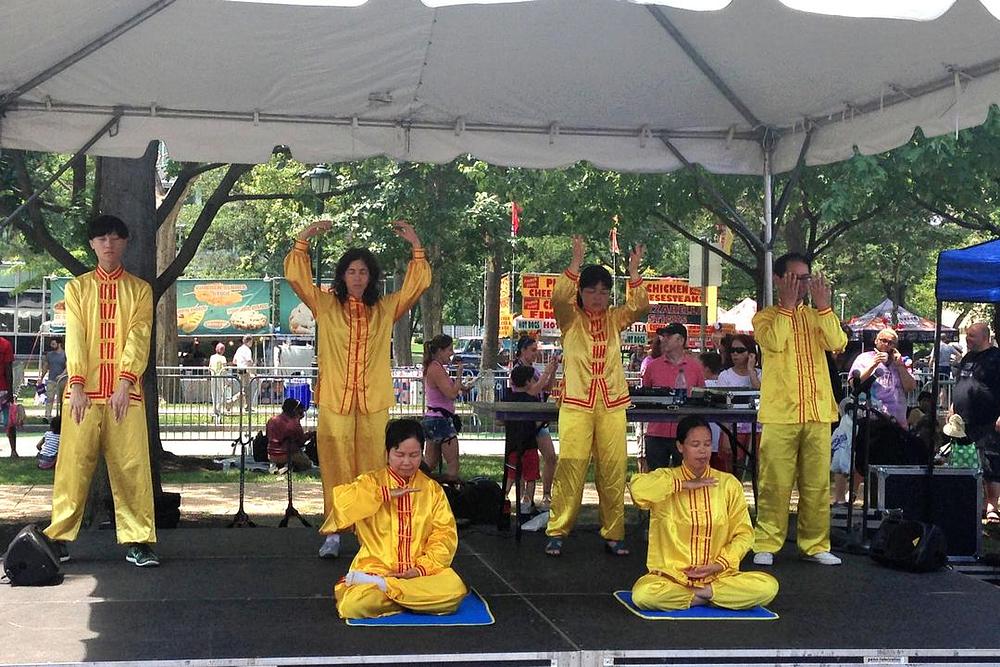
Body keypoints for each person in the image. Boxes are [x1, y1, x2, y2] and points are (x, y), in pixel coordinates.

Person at [285, 218, 430, 559]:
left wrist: (416, 245)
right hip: (335, 399)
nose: (357, 277)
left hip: (373, 401)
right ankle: (335, 531)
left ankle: (371, 534)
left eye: (363, 271)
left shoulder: (385, 309)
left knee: (374, 468)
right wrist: (304, 238)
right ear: (342, 275)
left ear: (371, 276)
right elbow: (295, 277)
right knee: (335, 467)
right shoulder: (325, 305)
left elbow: (416, 286)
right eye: (351, 271)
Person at [43, 214, 159, 567]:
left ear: (124, 243)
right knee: (73, 466)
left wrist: (125, 381)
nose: (108, 243)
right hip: (82, 395)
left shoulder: (140, 290)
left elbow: (139, 337)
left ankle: (138, 540)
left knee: (131, 467)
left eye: (114, 237)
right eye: (101, 238)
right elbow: (75, 337)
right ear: (92, 244)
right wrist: (75, 383)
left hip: (126, 396)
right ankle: (59, 537)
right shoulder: (77, 288)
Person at [544, 235, 649, 557]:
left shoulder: (615, 318)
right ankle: (557, 530)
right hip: (576, 403)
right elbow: (559, 298)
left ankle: (614, 532)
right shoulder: (570, 319)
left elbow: (640, 306)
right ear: (581, 292)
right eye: (591, 291)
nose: (598, 297)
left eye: (604, 291)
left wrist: (633, 271)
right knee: (571, 466)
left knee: (614, 468)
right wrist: (575, 262)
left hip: (613, 403)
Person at [751, 252, 846, 567]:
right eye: (795, 278)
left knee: (817, 484)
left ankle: (816, 544)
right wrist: (787, 307)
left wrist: (824, 306)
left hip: (818, 411)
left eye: (806, 279)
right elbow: (775, 342)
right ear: (778, 279)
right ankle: (766, 541)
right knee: (774, 482)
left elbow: (836, 341)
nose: (802, 284)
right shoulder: (764, 317)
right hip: (781, 413)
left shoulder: (818, 315)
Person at [629, 416, 778, 611]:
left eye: (707, 444)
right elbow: (637, 489)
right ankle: (714, 598)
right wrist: (681, 485)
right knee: (643, 595)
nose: (702, 450)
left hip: (719, 577)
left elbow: (744, 535)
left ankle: (702, 594)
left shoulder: (728, 484)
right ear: (680, 447)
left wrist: (719, 564)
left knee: (768, 587)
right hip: (673, 578)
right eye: (695, 444)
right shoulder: (666, 479)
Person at [325, 419, 468, 619]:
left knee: (454, 590)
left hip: (420, 574)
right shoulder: (370, 483)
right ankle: (413, 599)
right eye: (399, 455)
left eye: (414, 455)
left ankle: (390, 591)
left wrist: (420, 569)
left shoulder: (432, 490)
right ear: (387, 453)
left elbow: (444, 536)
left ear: (423, 454)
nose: (407, 462)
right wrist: (384, 494)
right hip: (377, 570)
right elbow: (342, 506)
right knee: (353, 605)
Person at [950, 322, 1000, 524]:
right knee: (968, 462)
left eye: (971, 336)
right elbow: (961, 384)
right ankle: (975, 502)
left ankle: (992, 505)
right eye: (967, 335)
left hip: (988, 419)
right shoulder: (968, 358)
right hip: (963, 421)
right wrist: (953, 406)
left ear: (984, 337)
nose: (967, 339)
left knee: (990, 461)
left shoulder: (996, 358)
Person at [640, 323, 706, 470]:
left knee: (685, 476)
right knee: (656, 480)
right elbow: (644, 395)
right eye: (663, 336)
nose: (663, 339)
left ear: (680, 340)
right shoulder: (652, 367)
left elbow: (701, 397)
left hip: (685, 433)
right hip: (656, 432)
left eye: (668, 336)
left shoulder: (695, 367)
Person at [510, 334, 560, 509]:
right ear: (522, 350)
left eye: (536, 350)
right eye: (532, 350)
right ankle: (525, 498)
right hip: (525, 423)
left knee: (550, 457)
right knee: (524, 459)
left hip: (538, 421)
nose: (535, 354)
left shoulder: (534, 370)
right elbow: (531, 391)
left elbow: (545, 389)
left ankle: (546, 493)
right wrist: (546, 372)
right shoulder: (518, 371)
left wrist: (552, 371)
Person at [421, 334, 475, 480]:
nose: (452, 354)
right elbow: (451, 394)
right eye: (449, 350)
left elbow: (448, 388)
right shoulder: (435, 368)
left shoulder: (436, 367)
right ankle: (451, 493)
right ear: (439, 351)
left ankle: (423, 487)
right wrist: (458, 376)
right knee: (453, 464)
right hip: (441, 420)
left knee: (429, 463)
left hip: (434, 419)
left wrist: (463, 387)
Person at [849, 327, 916, 425]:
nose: (886, 344)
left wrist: (900, 365)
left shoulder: (901, 361)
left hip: (897, 420)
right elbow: (854, 384)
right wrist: (873, 364)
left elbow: (911, 387)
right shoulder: (864, 358)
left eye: (890, 343)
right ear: (876, 341)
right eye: (883, 340)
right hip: (872, 418)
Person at [717, 334, 762, 472]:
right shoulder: (725, 376)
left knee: (759, 468)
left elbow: (760, 392)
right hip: (732, 427)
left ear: (751, 352)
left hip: (758, 428)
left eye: (740, 350)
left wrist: (751, 370)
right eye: (732, 350)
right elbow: (723, 407)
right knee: (732, 468)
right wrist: (725, 434)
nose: (735, 354)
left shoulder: (760, 374)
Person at [504, 364, 544, 514]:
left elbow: (500, 421)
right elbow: (538, 422)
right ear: (528, 382)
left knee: (510, 475)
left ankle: (504, 498)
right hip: (530, 444)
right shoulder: (532, 400)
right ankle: (528, 503)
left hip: (513, 444)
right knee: (531, 477)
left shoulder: (508, 398)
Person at [265, 398, 314, 472]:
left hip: (271, 455)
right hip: (287, 454)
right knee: (308, 464)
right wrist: (310, 434)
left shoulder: (272, 420)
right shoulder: (294, 423)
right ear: (295, 411)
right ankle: (289, 467)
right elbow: (301, 441)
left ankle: (281, 466)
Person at [40, 338, 67, 422]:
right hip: (51, 379)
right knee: (49, 398)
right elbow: (45, 366)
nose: (52, 346)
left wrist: (62, 375)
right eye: (51, 344)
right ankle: (47, 416)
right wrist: (41, 378)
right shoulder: (49, 355)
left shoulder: (65, 354)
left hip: (62, 380)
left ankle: (61, 416)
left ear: (59, 344)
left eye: (54, 344)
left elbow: (67, 366)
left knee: (61, 400)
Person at [230, 335, 256, 412]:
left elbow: (234, 361)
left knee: (246, 389)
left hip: (239, 370)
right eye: (251, 341)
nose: (252, 343)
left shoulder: (239, 349)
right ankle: (231, 401)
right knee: (245, 390)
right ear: (249, 341)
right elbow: (249, 361)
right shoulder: (247, 350)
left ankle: (247, 406)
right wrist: (253, 370)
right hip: (245, 370)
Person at [0, 335, 16, 457]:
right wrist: (10, 393)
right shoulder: (5, 344)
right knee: (9, 421)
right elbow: (8, 371)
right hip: (3, 389)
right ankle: (13, 450)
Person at [208, 342, 229, 423]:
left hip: (213, 377)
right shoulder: (223, 358)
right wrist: (226, 380)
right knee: (220, 394)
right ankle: (218, 410)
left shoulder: (212, 357)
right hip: (220, 378)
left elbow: (209, 367)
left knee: (214, 394)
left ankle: (214, 410)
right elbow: (224, 369)